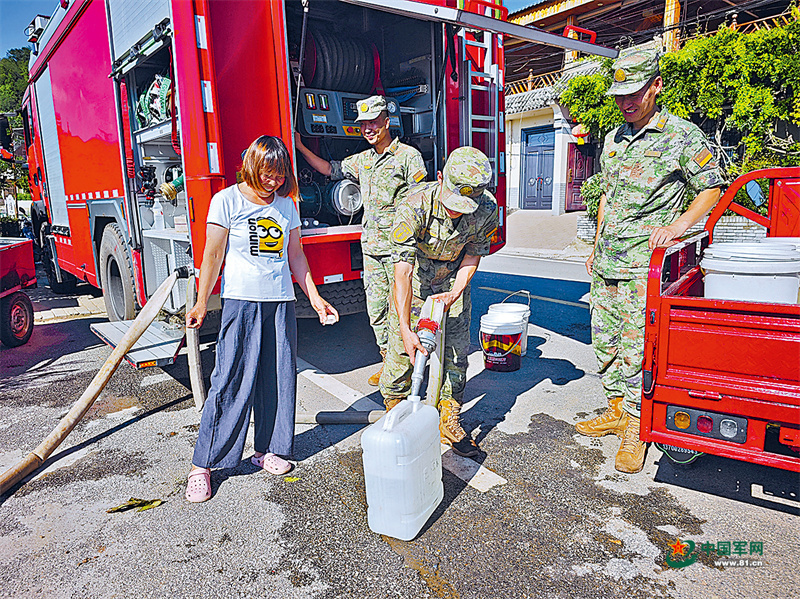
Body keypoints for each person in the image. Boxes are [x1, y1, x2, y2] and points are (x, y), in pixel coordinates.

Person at [576, 46, 725, 473]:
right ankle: (616, 411)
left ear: (656, 86)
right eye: (619, 96)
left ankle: (637, 427)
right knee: (605, 341)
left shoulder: (681, 135)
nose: (625, 103)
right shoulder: (613, 139)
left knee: (638, 348)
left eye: (633, 94)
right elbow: (607, 197)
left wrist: (679, 226)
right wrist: (596, 244)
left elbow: (711, 188)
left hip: (645, 264)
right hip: (608, 260)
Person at [184, 135, 339, 503]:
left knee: (277, 379)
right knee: (230, 379)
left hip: (280, 302)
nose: (273, 181)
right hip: (241, 301)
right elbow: (212, 256)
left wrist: (315, 298)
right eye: (268, 173)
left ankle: (267, 449)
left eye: (280, 174)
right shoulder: (227, 201)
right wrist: (202, 303)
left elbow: (296, 256)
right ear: (252, 167)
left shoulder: (287, 206)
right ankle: (202, 465)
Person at [294, 95, 426, 386]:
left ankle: (403, 370)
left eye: (374, 122)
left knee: (401, 310)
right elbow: (329, 169)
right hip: (372, 250)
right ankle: (388, 363)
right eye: (363, 124)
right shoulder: (363, 161)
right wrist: (301, 147)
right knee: (376, 311)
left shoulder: (408, 157)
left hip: (400, 251)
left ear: (387, 122)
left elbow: (419, 202)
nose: (368, 129)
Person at [380, 146, 498, 458]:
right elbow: (402, 271)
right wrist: (405, 328)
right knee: (401, 355)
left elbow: (473, 254)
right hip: (415, 282)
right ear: (440, 177)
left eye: (465, 206)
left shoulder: (487, 209)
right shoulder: (414, 204)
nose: (457, 211)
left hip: (452, 283)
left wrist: (455, 293)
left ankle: (449, 418)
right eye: (453, 202)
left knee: (456, 355)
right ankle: (396, 416)